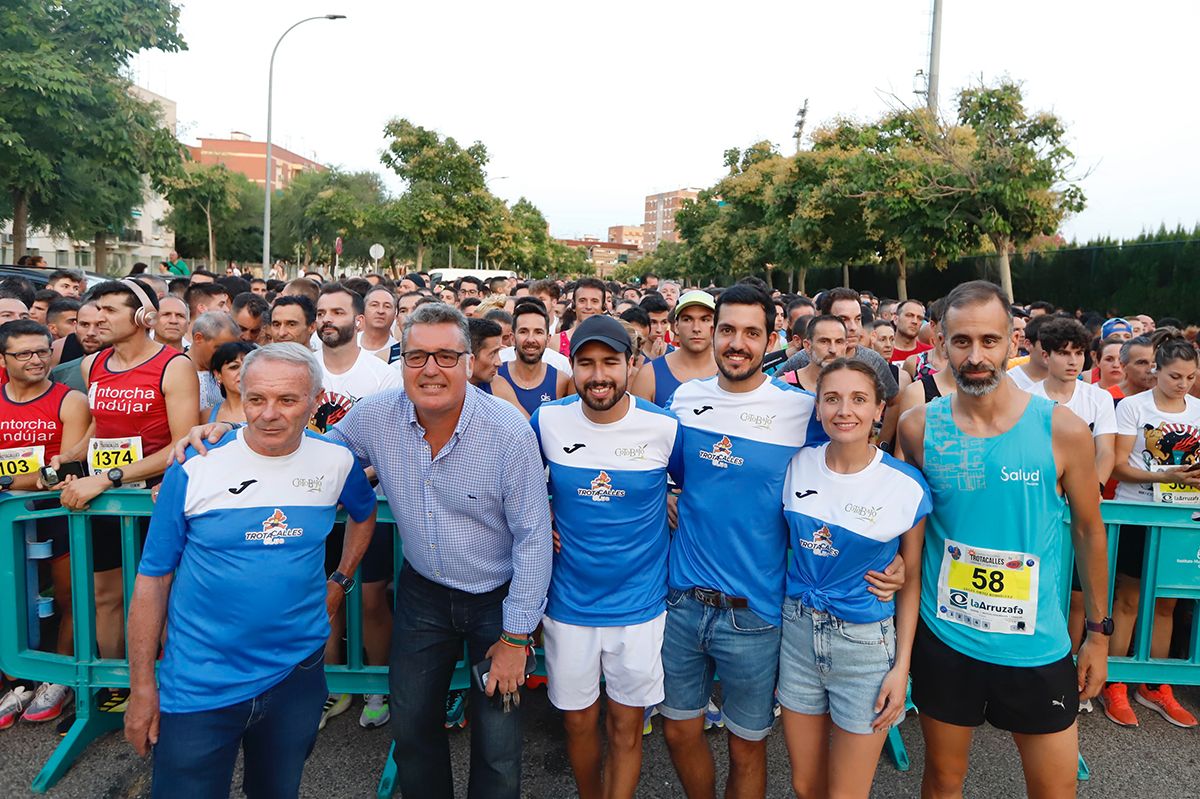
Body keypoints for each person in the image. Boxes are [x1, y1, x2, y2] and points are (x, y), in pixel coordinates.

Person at [660, 284, 902, 799]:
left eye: (752, 332)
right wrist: (665, 493)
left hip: (757, 611)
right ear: (713, 333)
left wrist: (892, 556)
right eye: (728, 330)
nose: (737, 343)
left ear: (769, 338)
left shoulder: (798, 409)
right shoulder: (684, 399)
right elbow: (675, 476)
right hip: (681, 601)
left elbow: (849, 475)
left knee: (747, 747)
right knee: (679, 731)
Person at [125, 344, 377, 798]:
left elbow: (364, 512)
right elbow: (153, 578)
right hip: (200, 679)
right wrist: (141, 686)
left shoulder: (335, 461)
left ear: (316, 401)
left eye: (287, 400)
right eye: (257, 399)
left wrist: (340, 578)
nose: (269, 414)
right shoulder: (195, 461)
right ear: (240, 395)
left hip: (296, 675)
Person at [896, 281, 1110, 799]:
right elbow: (907, 527)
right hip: (946, 640)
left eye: (989, 341)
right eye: (962, 341)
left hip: (1036, 645)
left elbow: (1087, 529)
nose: (976, 356)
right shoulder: (918, 427)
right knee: (944, 780)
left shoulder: (1063, 429)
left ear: (1013, 343)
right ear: (940, 343)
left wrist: (1099, 635)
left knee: (1055, 788)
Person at [531, 315, 682, 799]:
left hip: (639, 608)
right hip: (568, 605)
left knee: (625, 727)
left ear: (632, 364)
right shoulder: (548, 420)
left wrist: (672, 498)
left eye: (611, 363)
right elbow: (520, 491)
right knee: (577, 727)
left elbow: (695, 491)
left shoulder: (664, 428)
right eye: (586, 363)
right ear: (571, 366)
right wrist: (542, 519)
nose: (599, 375)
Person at [779, 358, 930, 799]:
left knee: (847, 793)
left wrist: (901, 668)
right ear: (818, 407)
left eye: (859, 399)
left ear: (879, 408)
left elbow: (912, 578)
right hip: (798, 635)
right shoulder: (795, 466)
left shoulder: (906, 485)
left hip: (865, 646)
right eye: (832, 398)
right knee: (806, 785)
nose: (845, 410)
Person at [1102, 328, 1200, 729]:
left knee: (1168, 602)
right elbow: (1119, 466)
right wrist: (1166, 474)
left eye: (1190, 377)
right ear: (1157, 371)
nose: (1183, 384)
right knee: (1128, 597)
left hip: (1185, 517)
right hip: (1139, 512)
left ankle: (1157, 684)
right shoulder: (1132, 407)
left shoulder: (1197, 409)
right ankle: (1117, 682)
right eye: (1176, 376)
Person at [0, 320, 91, 727]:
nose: (36, 360)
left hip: (57, 516)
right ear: (4, 359)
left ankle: (56, 678)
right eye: (24, 354)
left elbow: (63, 473)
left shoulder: (69, 400)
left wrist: (10, 481)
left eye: (42, 351)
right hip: (8, 522)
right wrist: (29, 479)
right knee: (11, 601)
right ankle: (16, 682)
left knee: (70, 598)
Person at [630, 291, 717, 408]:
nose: (696, 328)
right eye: (687, 319)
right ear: (676, 326)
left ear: (716, 325)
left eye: (705, 319)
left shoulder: (731, 372)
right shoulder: (649, 375)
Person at [496, 301, 570, 416]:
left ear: (548, 339)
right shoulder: (495, 375)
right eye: (523, 332)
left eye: (538, 332)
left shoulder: (561, 381)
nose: (531, 339)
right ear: (512, 338)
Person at [467, 317, 526, 417]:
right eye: (493, 353)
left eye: (498, 352)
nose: (499, 362)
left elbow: (525, 428)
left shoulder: (496, 385)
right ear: (470, 357)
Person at [779, 315, 847, 392]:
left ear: (845, 346)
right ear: (808, 345)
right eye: (824, 341)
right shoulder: (783, 386)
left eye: (839, 342)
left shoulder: (857, 384)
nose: (833, 349)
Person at [188, 312, 240, 410]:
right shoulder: (174, 371)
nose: (227, 355)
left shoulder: (232, 373)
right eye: (220, 348)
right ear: (198, 338)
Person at [49, 301, 103, 391]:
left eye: (99, 325)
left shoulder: (130, 373)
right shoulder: (59, 374)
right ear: (75, 326)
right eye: (84, 325)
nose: (91, 332)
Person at [204, 341, 256, 424]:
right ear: (218, 374)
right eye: (234, 367)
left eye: (248, 366)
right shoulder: (205, 416)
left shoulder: (266, 412)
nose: (242, 372)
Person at [557, 278, 607, 356]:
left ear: (603, 306)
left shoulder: (612, 341)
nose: (588, 306)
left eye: (594, 301)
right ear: (573, 305)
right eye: (582, 300)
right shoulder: (556, 342)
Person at [1006, 313, 1052, 391]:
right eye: (1047, 343)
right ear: (1028, 344)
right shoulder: (1008, 382)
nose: (1022, 334)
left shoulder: (1072, 381)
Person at [360, 286, 398, 361]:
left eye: (387, 306)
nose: (380, 311)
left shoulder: (398, 351)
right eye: (374, 305)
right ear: (363, 309)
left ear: (395, 314)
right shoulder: (349, 344)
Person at [890, 300, 931, 364]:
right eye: (909, 315)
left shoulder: (930, 354)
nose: (915, 321)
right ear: (895, 319)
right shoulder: (883, 352)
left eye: (919, 318)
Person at [639, 293, 675, 360]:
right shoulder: (632, 355)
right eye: (653, 322)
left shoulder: (676, 354)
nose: (659, 330)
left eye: (664, 322)